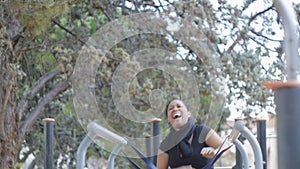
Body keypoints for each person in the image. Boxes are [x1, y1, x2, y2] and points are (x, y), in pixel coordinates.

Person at [156, 99, 224, 169]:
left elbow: (226, 147)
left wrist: (214, 152)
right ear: (168, 119)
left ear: (189, 114)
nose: (175, 109)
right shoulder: (165, 145)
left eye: (179, 106)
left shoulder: (202, 131)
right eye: (170, 108)